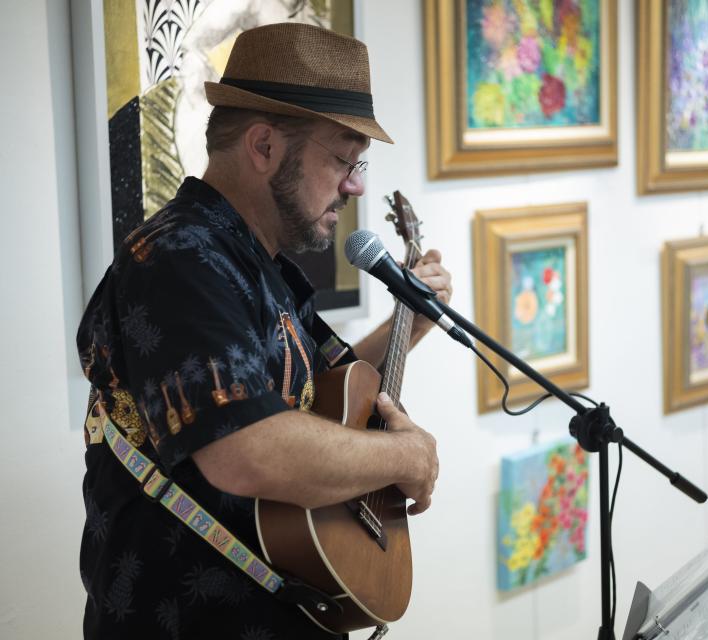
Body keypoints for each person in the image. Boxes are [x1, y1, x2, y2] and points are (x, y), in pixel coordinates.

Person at [77, 23, 446, 639]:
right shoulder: (179, 259)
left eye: (359, 163)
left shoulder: (254, 260)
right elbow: (246, 449)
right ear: (264, 145)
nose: (355, 185)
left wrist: (414, 322)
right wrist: (406, 455)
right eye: (342, 158)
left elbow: (330, 394)